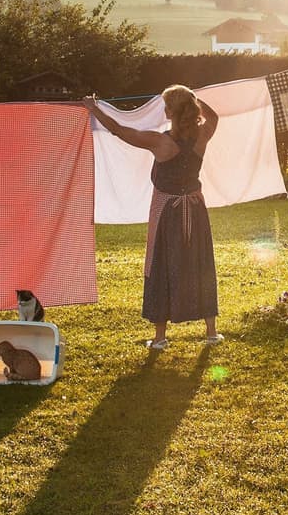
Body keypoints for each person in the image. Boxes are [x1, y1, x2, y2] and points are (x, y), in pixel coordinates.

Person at [85, 85, 223, 349]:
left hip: (168, 214)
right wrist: (193, 97)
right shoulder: (202, 135)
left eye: (166, 105)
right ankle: (211, 332)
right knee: (200, 263)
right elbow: (213, 117)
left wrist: (93, 108)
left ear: (171, 111)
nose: (163, 108)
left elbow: (119, 131)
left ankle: (160, 338)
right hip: (194, 210)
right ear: (192, 110)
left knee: (162, 266)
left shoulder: (160, 142)